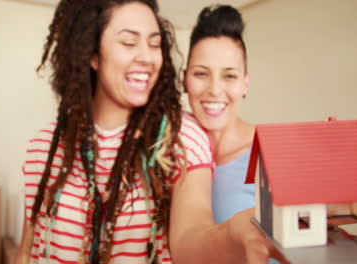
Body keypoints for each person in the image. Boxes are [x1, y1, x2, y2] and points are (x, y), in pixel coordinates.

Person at [16, 1, 282, 263]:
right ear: (92, 53)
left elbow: (190, 239)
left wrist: (232, 232)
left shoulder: (181, 139)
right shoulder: (43, 146)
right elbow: (28, 250)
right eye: (129, 42)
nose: (147, 57)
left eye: (154, 44)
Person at [184, 4, 255, 226]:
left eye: (229, 76)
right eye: (201, 74)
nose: (214, 90)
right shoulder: (171, 151)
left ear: (245, 84)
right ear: (183, 79)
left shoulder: (268, 154)